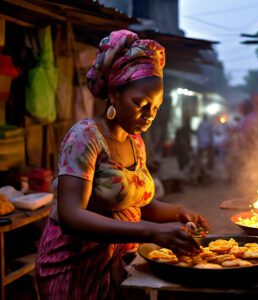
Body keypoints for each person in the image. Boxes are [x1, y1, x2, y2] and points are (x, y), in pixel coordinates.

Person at [35, 29, 209, 300]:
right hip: (74, 272)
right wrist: (150, 232)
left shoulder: (135, 142)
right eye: (140, 103)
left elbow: (133, 202)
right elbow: (71, 215)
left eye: (156, 106)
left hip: (121, 268)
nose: (149, 114)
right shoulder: (85, 137)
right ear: (114, 94)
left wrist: (178, 211)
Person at [196, 114, 214, 182]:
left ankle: (201, 174)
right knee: (208, 160)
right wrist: (211, 142)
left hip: (201, 144)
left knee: (199, 159)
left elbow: (197, 133)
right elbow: (211, 133)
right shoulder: (209, 124)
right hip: (207, 143)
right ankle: (206, 175)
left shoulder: (200, 124)